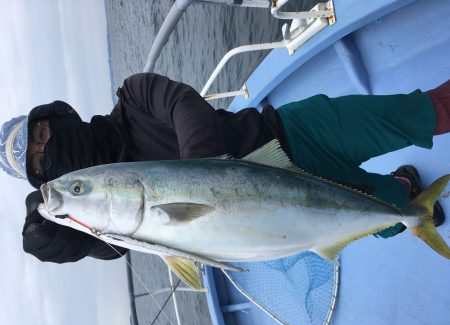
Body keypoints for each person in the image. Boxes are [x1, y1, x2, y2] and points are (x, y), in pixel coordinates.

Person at [0, 73, 448, 263]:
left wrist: (199, 179)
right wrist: (64, 238)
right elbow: (116, 246)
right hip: (277, 217)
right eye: (42, 164)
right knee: (394, 212)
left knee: (418, 112)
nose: (48, 148)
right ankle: (401, 195)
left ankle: (401, 186)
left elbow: (184, 104)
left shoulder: (133, 98)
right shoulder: (104, 218)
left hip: (290, 134)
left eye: (41, 134)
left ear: (56, 116)